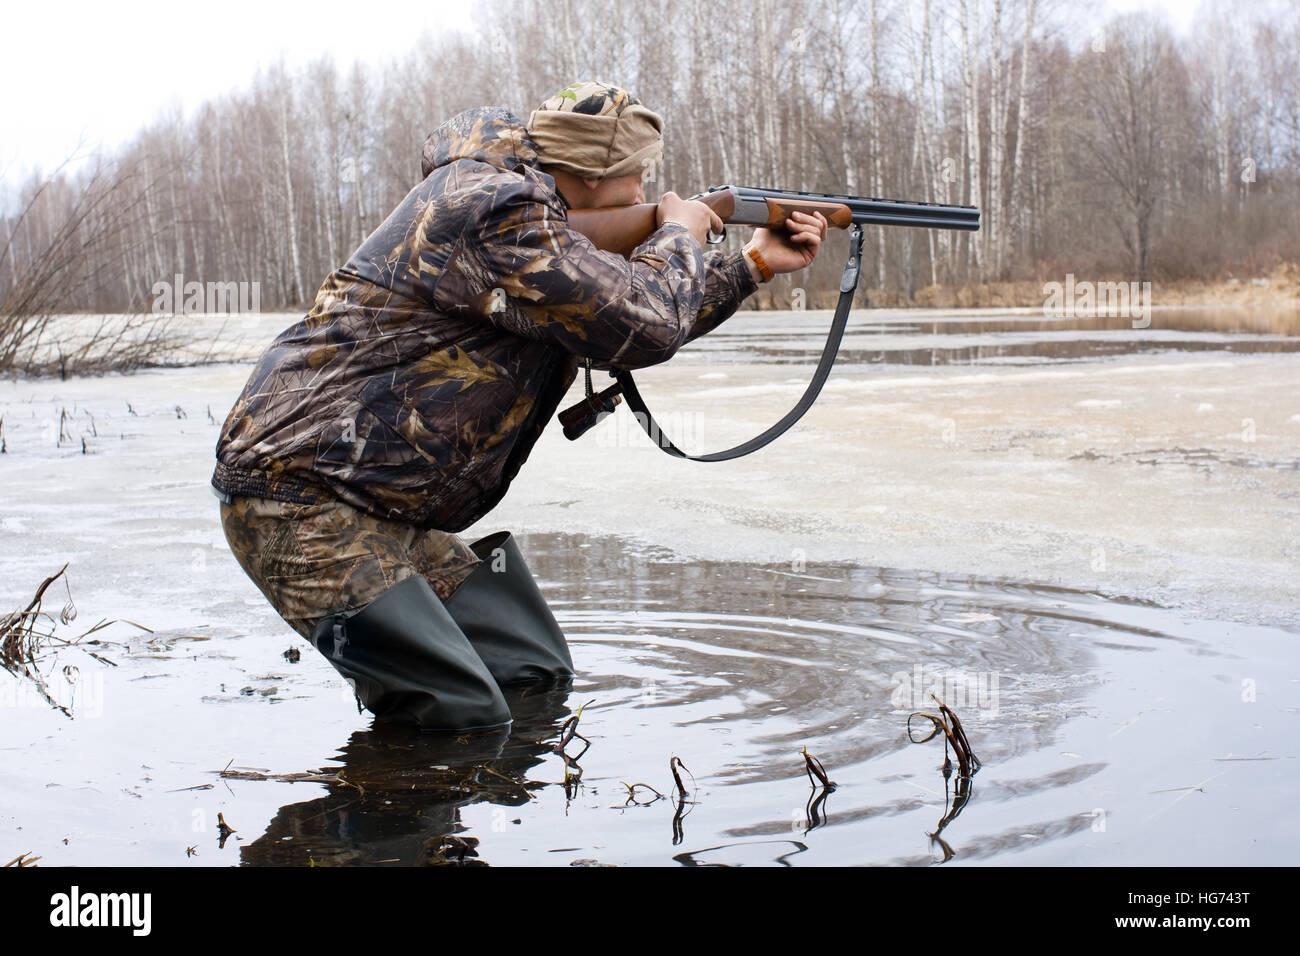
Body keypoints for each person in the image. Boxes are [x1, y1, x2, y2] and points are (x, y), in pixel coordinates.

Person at [213, 80, 828, 730]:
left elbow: (608, 319)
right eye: (639, 178)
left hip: (379, 503)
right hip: (298, 497)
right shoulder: (495, 209)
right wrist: (679, 231)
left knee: (531, 674)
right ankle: (370, 826)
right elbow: (643, 323)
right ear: (592, 177)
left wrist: (753, 263)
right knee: (456, 711)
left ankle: (458, 825)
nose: (647, 193)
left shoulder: (531, 221)